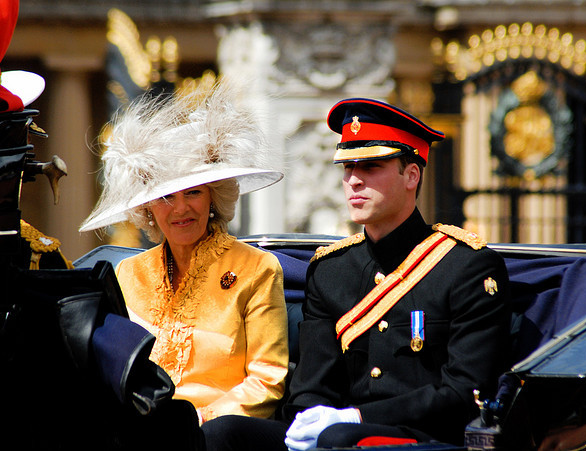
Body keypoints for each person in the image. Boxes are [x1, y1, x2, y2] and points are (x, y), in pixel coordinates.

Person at [203, 97, 511, 450]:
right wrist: (305, 422)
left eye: (370, 167)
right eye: (347, 167)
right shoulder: (331, 269)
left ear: (411, 174)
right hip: (340, 434)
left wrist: (357, 418)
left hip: (425, 436)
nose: (353, 180)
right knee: (223, 433)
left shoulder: (467, 266)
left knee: (340, 437)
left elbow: (464, 392)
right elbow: (312, 387)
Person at [79, 84, 289, 425]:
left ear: (212, 198)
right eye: (166, 197)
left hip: (216, 431)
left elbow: (267, 381)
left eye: (193, 192)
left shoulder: (256, 267)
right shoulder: (128, 273)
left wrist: (199, 422)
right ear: (148, 208)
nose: (181, 208)